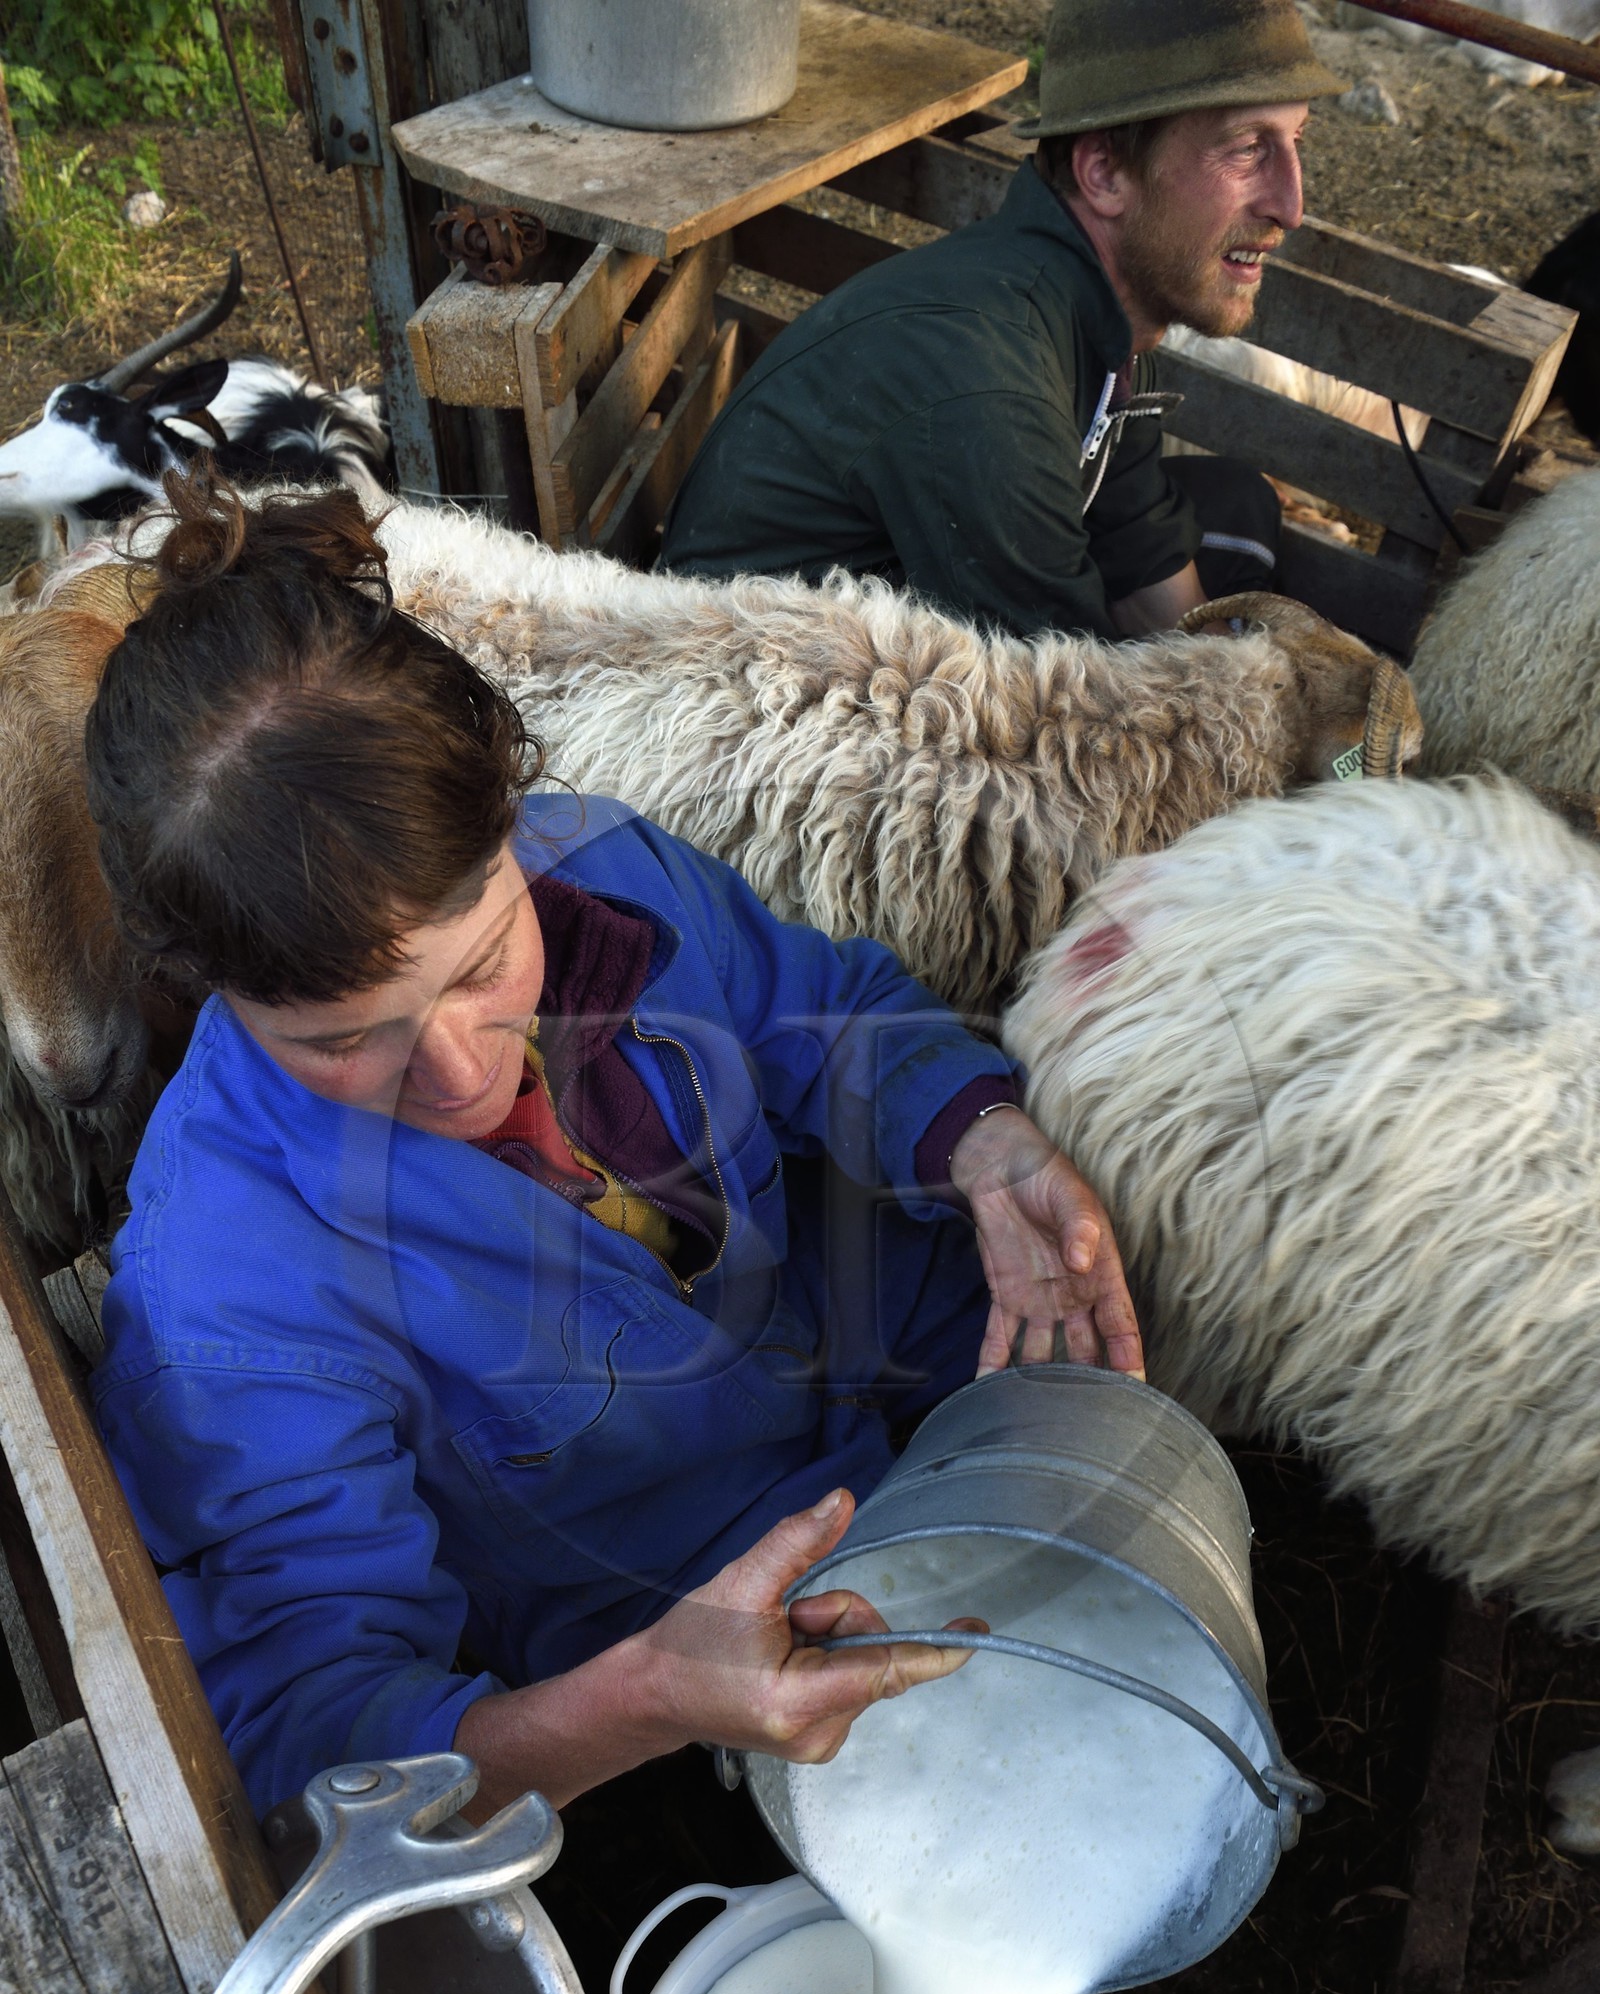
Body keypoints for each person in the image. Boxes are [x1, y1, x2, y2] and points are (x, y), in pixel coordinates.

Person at [85, 476, 1144, 1835]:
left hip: (881, 1369)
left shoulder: (614, 865)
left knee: (1145, 1374)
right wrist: (649, 1695)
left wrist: (982, 1140)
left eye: (482, 966)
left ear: (514, 825)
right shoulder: (225, 1296)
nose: (464, 1070)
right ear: (205, 991)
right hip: (688, 1633)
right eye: (345, 1041)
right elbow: (313, 1730)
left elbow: (818, 1014)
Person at [660, 0, 1345, 644]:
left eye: (1297, 141)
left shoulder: (1103, 328)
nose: (1292, 203)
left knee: (1234, 505)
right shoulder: (992, 387)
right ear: (1104, 173)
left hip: (896, 643)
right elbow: (1059, 714)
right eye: (1248, 148)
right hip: (760, 705)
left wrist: (1232, 686)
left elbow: (1140, 555)